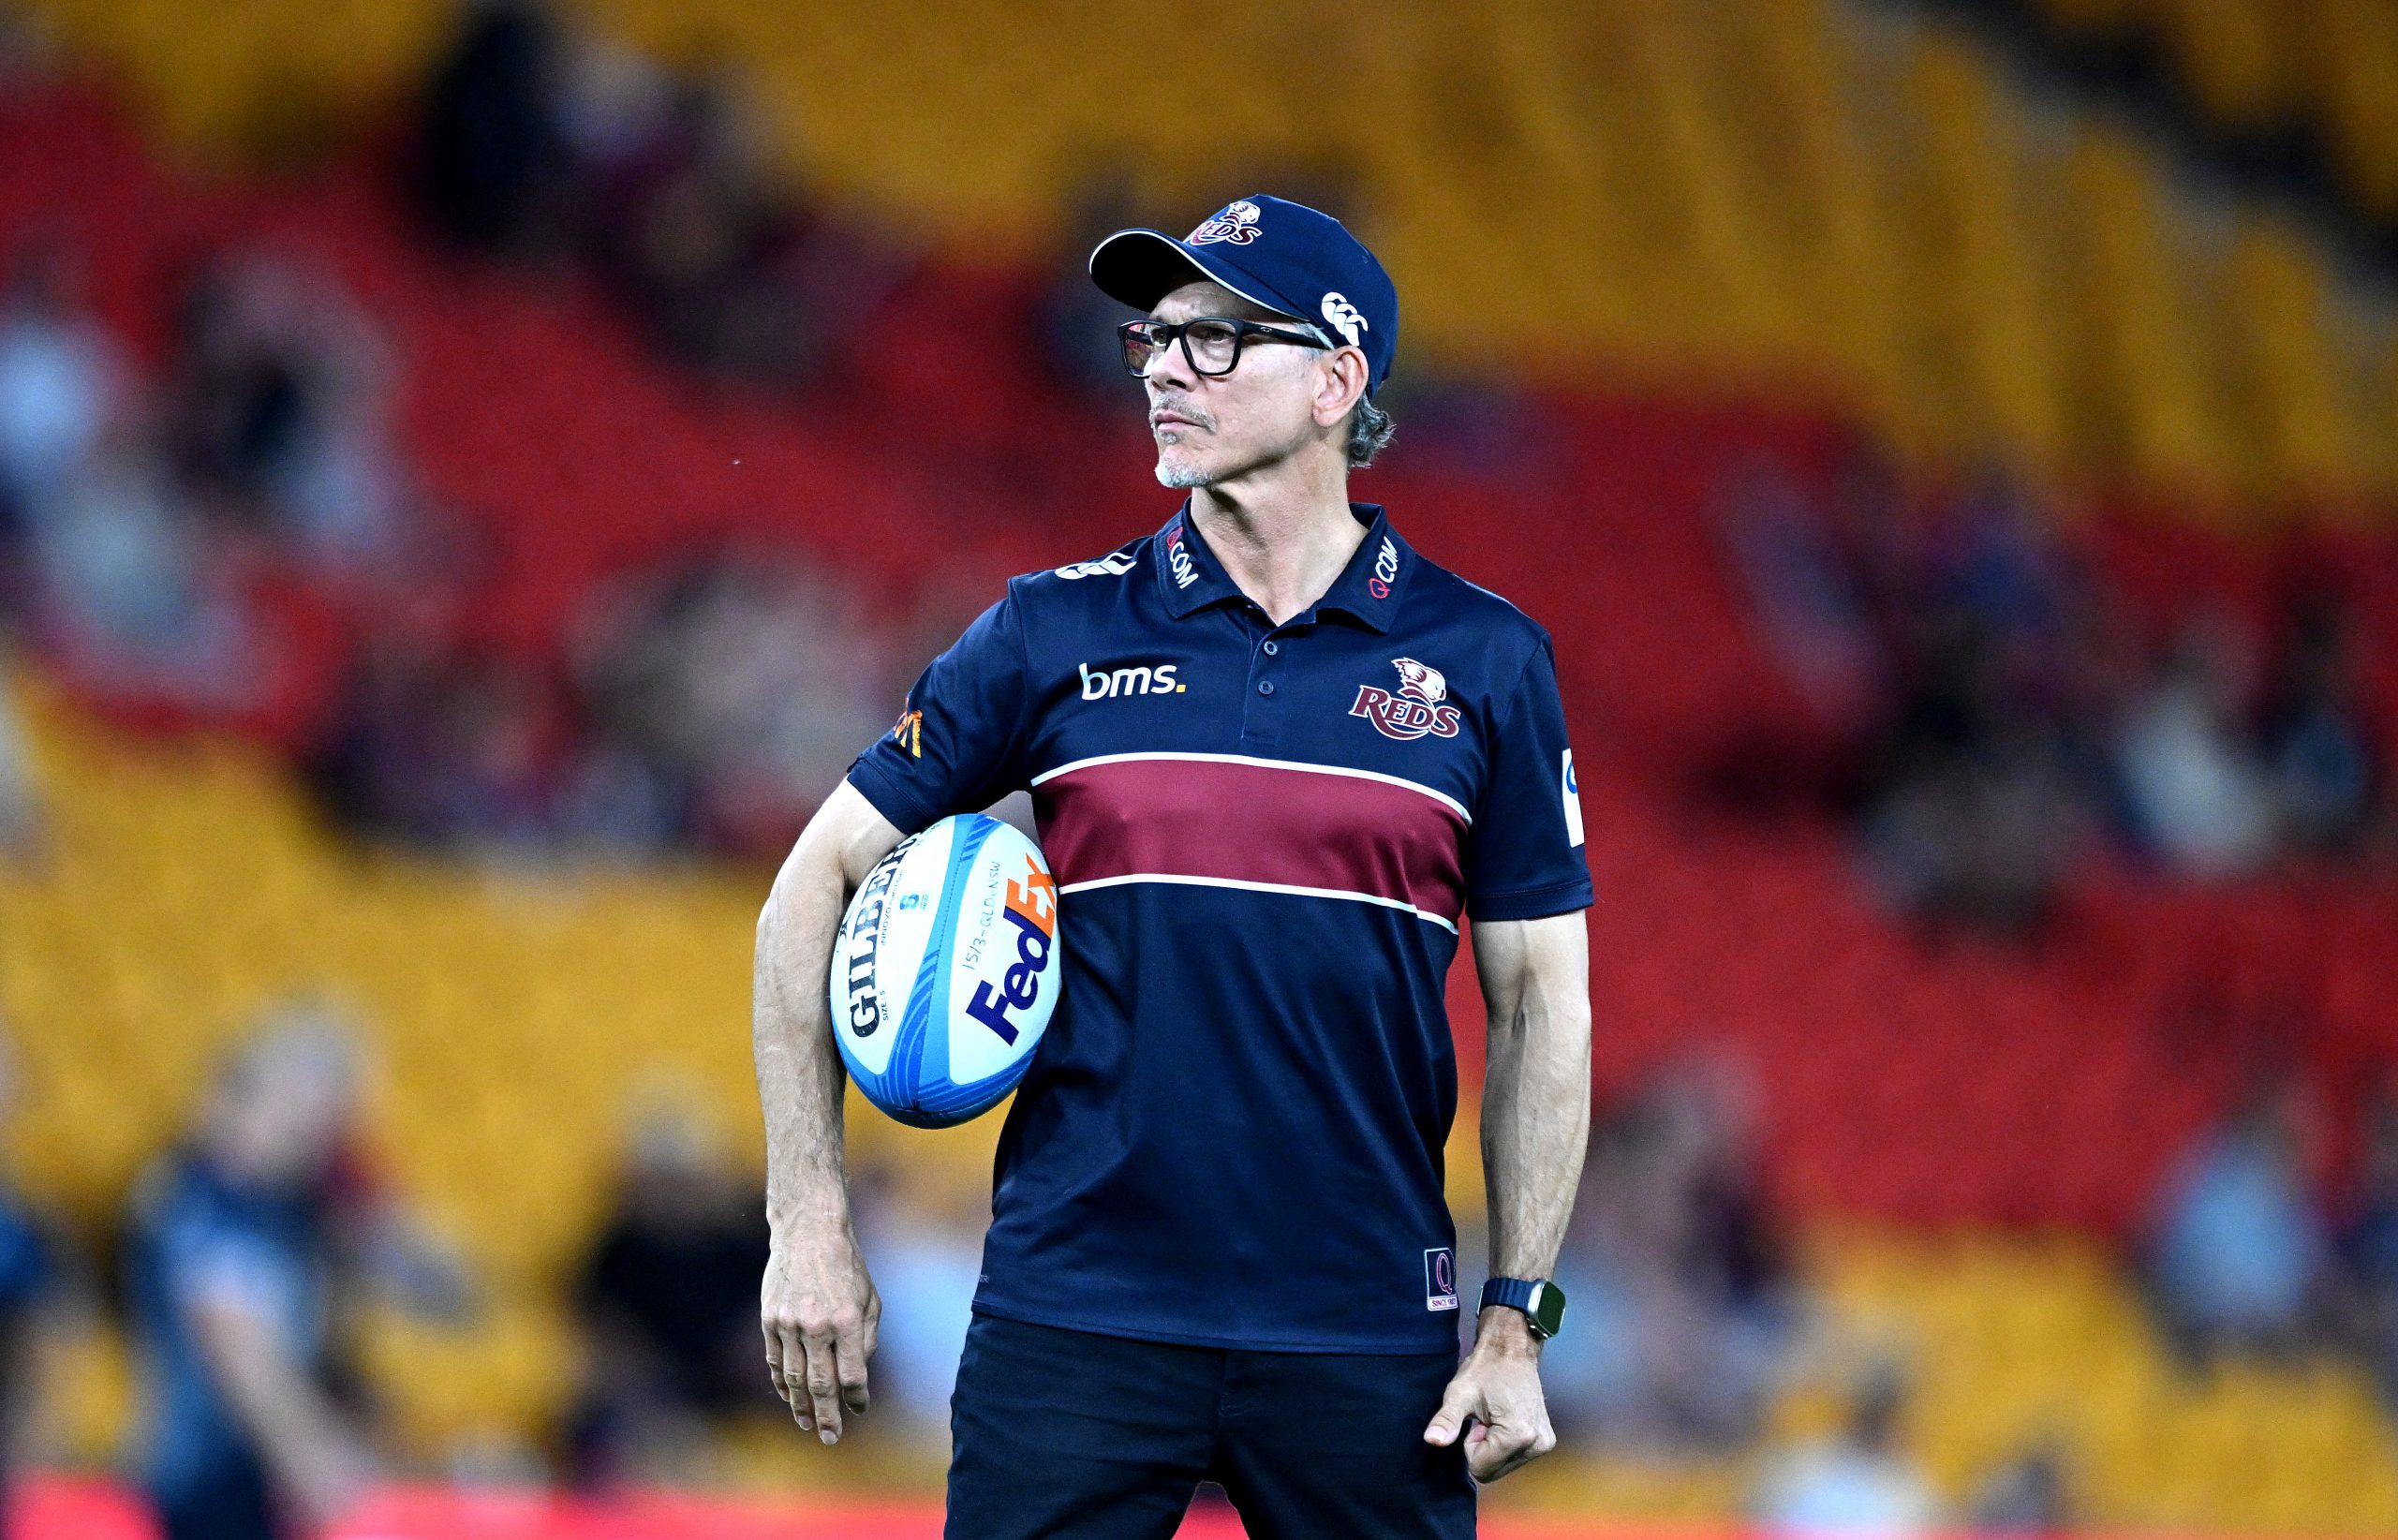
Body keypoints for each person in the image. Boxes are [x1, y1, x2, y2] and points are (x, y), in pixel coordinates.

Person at [753, 195, 1595, 1538]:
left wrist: (1516, 1320)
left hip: (1366, 1326)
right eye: (1155, 340)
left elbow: (1545, 1002)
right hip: (1075, 1310)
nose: (1160, 371)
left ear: (1338, 378)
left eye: (1217, 342)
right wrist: (806, 1217)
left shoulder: (1488, 662)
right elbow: (812, 883)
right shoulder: (1048, 630)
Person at [126, 1015, 385, 1540]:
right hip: (210, 1477)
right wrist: (307, 1450)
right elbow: (236, 1345)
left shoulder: (284, 1209)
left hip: (253, 1479)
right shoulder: (204, 1201)